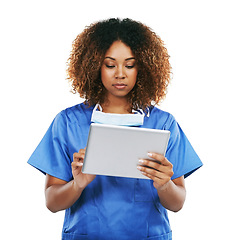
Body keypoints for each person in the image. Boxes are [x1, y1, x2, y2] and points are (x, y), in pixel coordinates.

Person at [28, 18, 203, 240]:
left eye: (130, 65)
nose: (120, 74)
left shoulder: (163, 124)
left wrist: (165, 184)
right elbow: (52, 203)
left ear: (144, 67)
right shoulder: (67, 123)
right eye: (110, 65)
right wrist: (78, 184)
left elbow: (177, 203)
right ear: (93, 66)